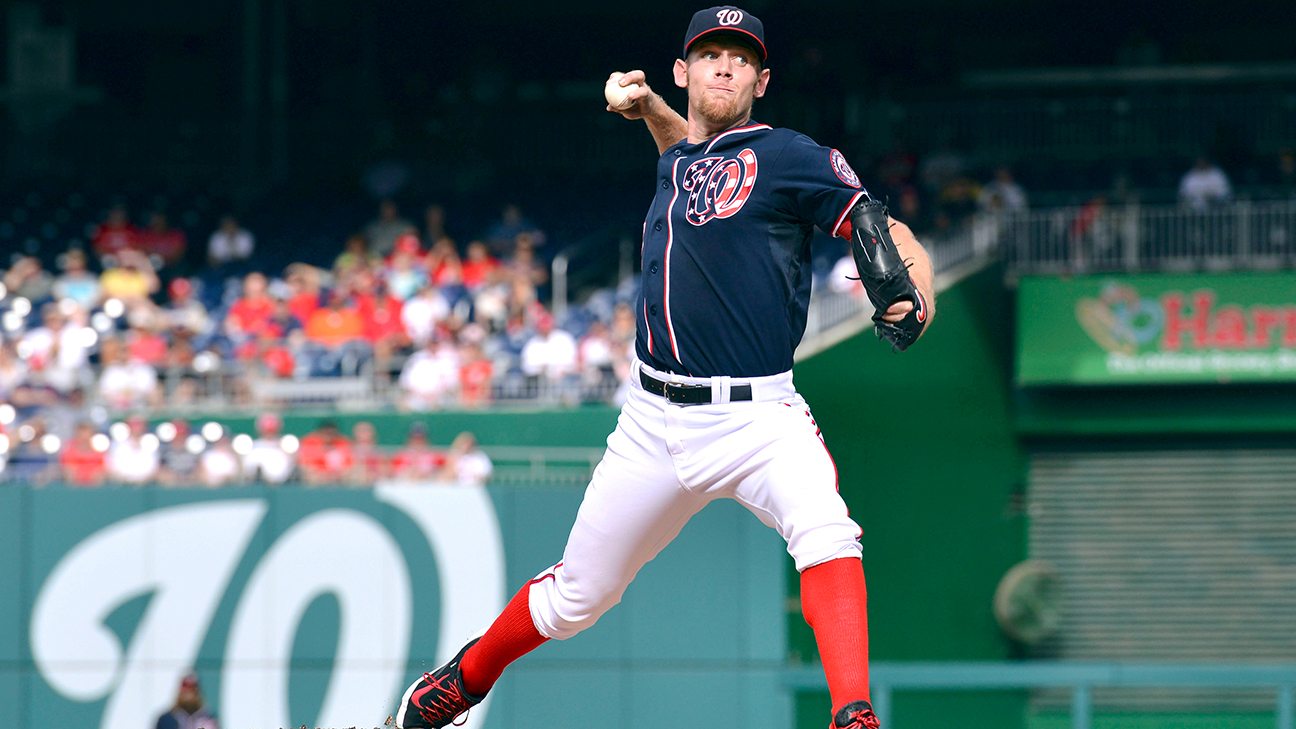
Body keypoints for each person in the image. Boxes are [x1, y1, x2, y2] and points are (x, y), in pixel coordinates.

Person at [393, 8, 934, 729]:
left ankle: (853, 714)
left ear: (761, 80)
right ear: (683, 72)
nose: (723, 65)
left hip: (757, 417)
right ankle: (459, 680)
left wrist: (917, 289)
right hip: (652, 420)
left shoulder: (788, 155)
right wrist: (648, 106)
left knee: (828, 532)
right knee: (576, 598)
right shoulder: (679, 158)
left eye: (740, 58)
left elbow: (878, 223)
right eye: (708, 53)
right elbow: (687, 153)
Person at [154, 673, 221, 729]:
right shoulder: (166, 719)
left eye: (192, 687)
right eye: (185, 687)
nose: (188, 691)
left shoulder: (209, 719)